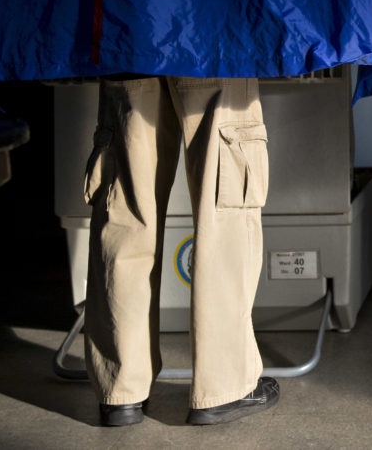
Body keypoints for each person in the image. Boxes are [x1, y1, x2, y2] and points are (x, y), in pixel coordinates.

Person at [84, 76, 279, 426]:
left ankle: (122, 389)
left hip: (133, 45)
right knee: (223, 206)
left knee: (126, 208)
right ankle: (223, 387)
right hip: (212, 46)